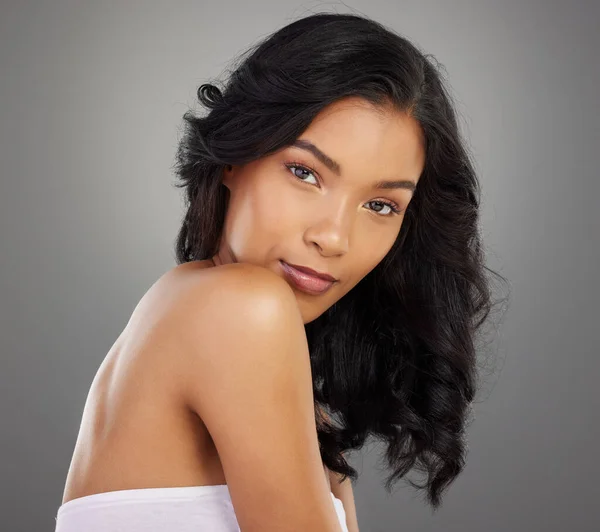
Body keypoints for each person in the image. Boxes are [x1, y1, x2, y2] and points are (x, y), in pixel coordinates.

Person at [55, 11, 505, 532]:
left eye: (381, 205)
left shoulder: (204, 317)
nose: (333, 237)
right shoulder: (241, 310)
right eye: (304, 172)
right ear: (235, 157)